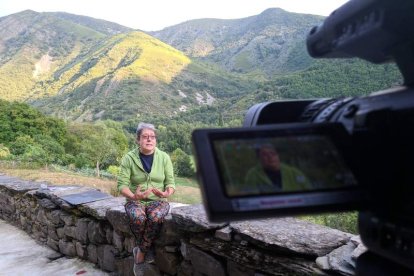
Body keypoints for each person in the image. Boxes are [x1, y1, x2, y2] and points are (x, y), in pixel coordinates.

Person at [117, 122, 175, 269]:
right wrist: (134, 196)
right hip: (135, 201)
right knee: (138, 218)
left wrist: (166, 192)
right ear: (138, 140)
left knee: (155, 217)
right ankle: (145, 250)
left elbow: (171, 183)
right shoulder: (128, 158)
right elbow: (122, 185)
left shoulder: (164, 158)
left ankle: (141, 252)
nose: (149, 140)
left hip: (158, 201)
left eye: (152, 137)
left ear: (155, 140)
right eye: (145, 137)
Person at [244, 144, 311, 194]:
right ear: (259, 158)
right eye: (265, 154)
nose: (270, 157)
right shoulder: (253, 174)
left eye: (273, 153)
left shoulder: (294, 173)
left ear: (278, 156)